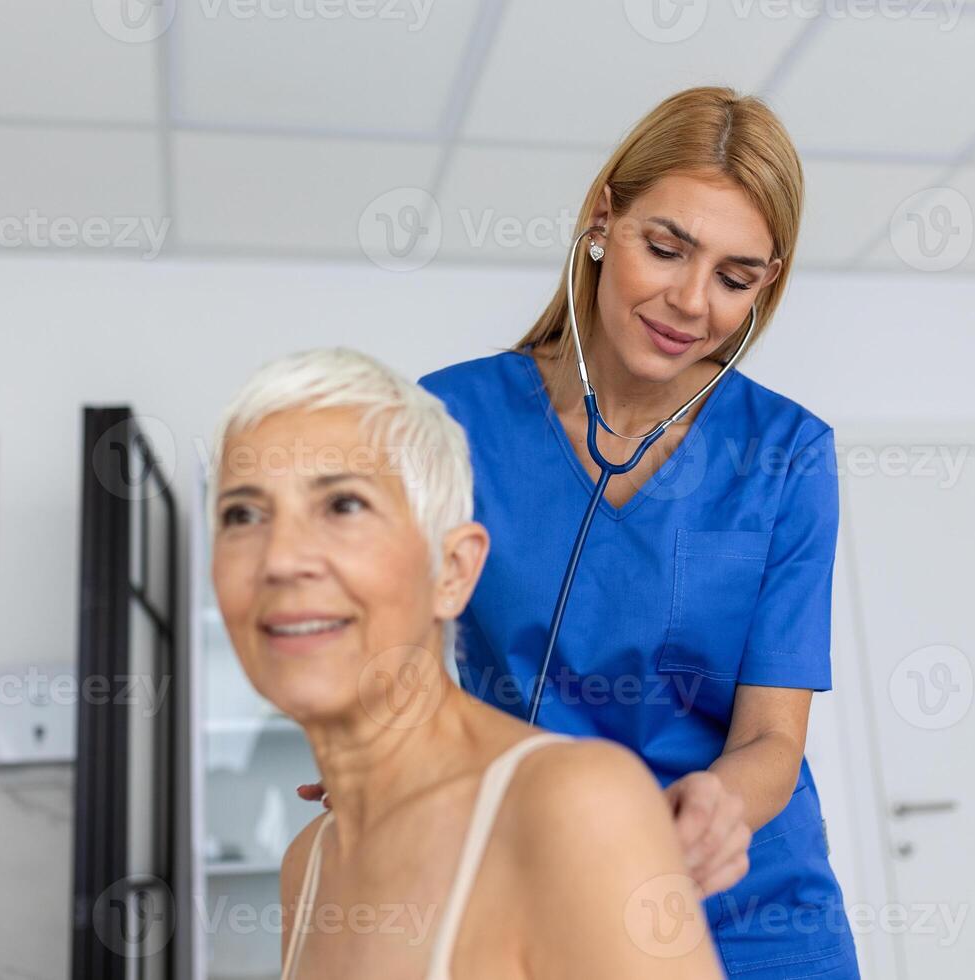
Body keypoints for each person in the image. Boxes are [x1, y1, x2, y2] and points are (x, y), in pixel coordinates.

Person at [410, 86, 859, 978]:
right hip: (540, 878)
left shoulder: (788, 455)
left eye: (735, 277)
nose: (692, 302)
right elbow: (410, 678)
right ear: (603, 221)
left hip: (749, 900)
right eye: (666, 248)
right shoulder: (448, 422)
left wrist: (714, 808)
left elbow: (772, 737)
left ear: (765, 284)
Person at [208, 347, 724, 979]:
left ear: (452, 571)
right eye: (243, 514)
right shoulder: (307, 865)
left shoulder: (573, 806)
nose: (280, 559)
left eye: (343, 505)